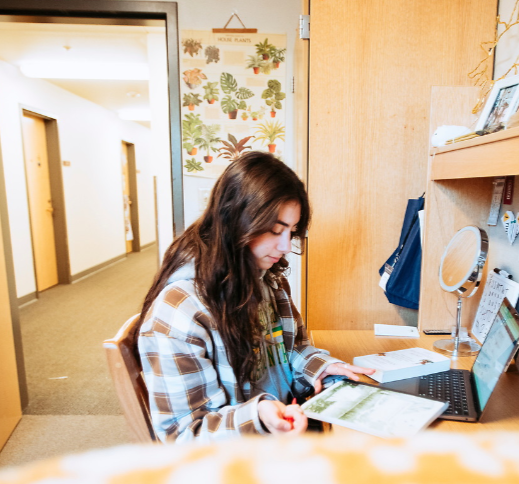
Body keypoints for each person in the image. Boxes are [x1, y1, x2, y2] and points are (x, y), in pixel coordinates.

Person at [135, 151, 373, 443]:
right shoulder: (180, 313)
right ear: (235, 219)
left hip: (286, 423)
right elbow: (184, 436)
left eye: (292, 232)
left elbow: (290, 348)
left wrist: (321, 367)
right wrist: (258, 417)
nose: (285, 246)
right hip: (244, 457)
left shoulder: (265, 277)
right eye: (275, 230)